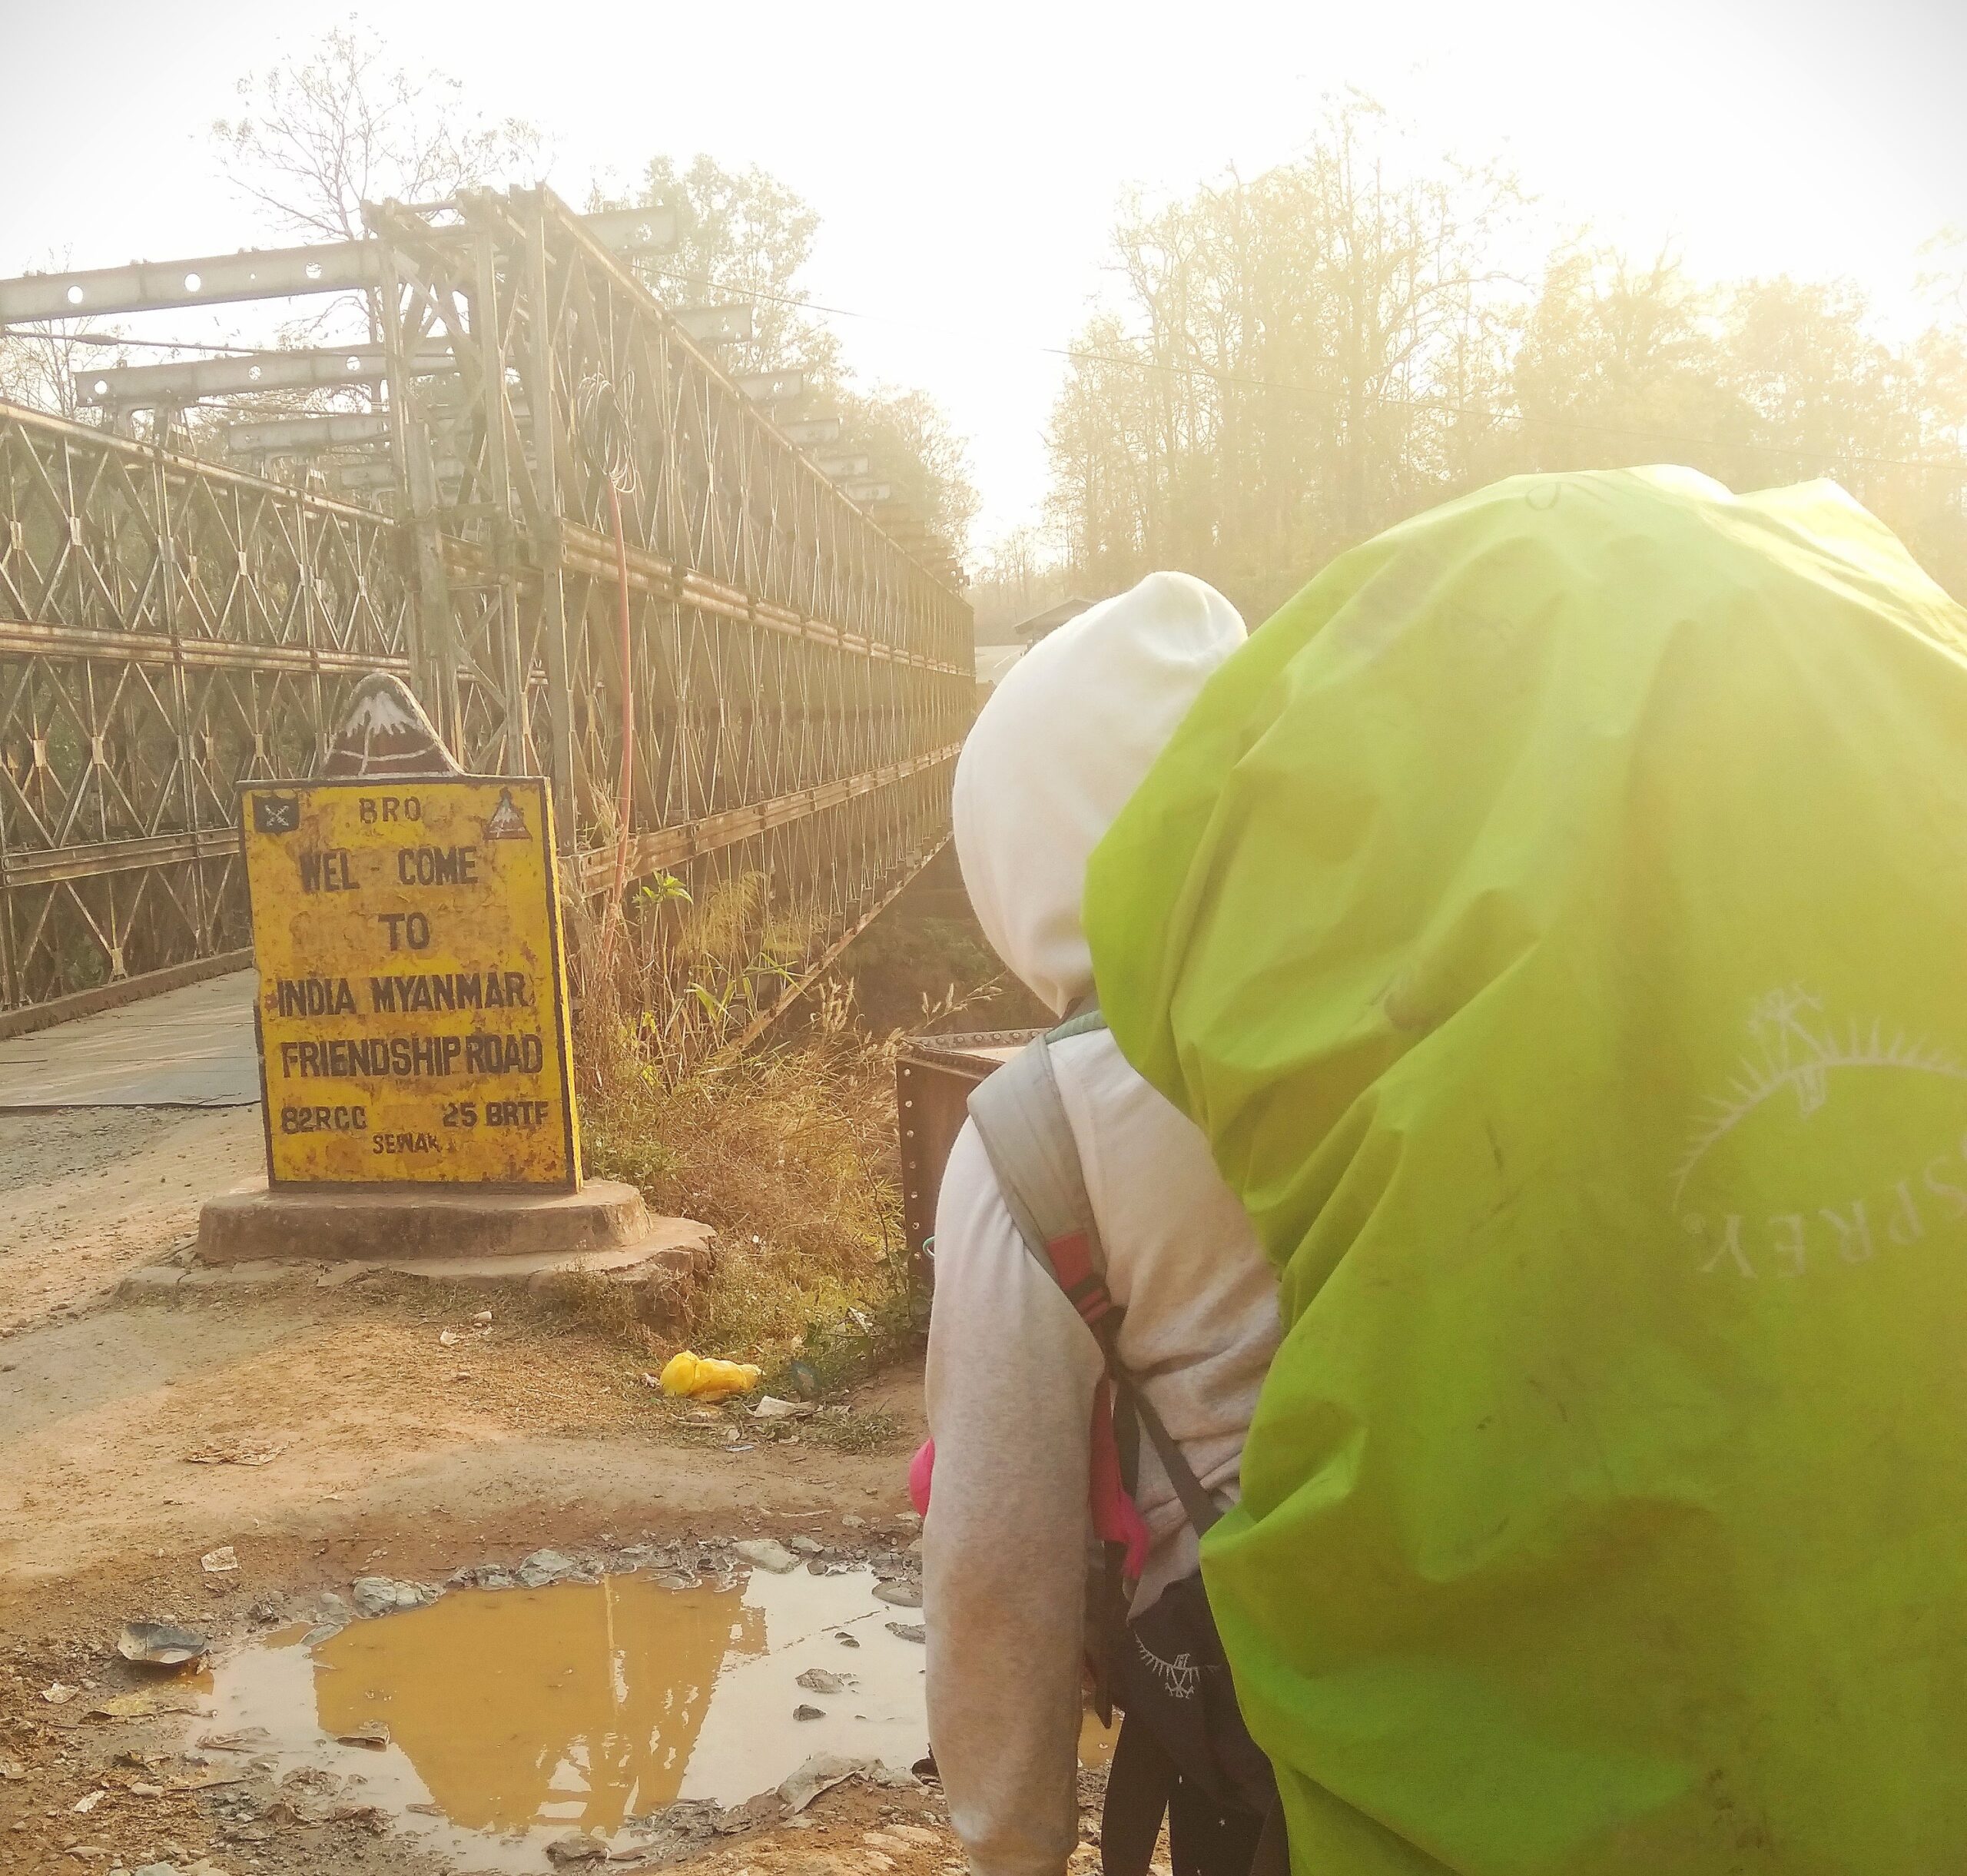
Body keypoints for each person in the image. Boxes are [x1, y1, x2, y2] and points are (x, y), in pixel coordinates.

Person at [922, 571, 1282, 1876]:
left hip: (1275, 1740)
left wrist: (1012, 1850)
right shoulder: (1411, 1010)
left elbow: (993, 1569)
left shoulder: (1047, 1126)